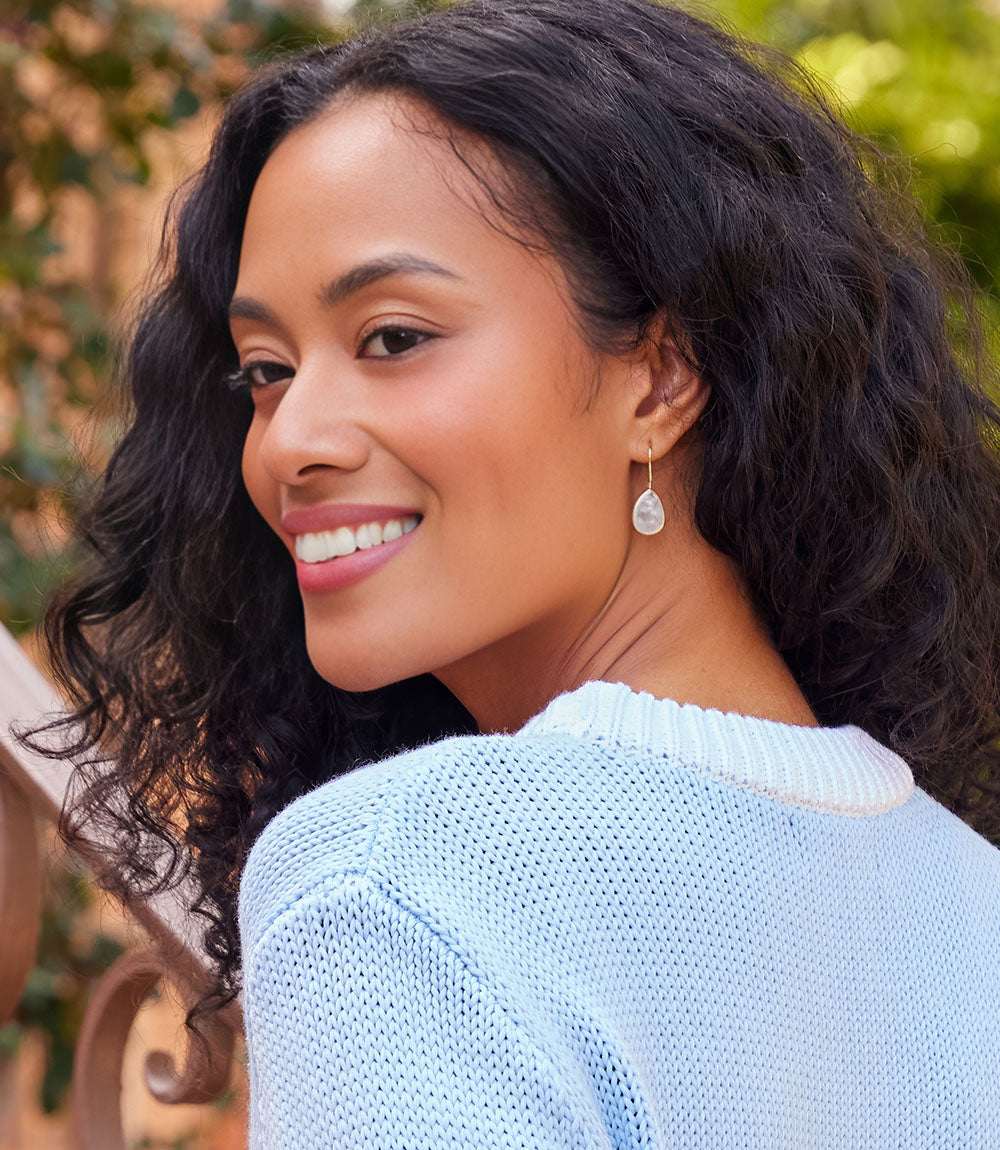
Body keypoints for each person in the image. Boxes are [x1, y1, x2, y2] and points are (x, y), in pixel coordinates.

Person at [13, 0, 1000, 1145]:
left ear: (662, 377)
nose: (289, 443)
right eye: (265, 371)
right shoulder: (967, 899)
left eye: (393, 337)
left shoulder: (402, 877)